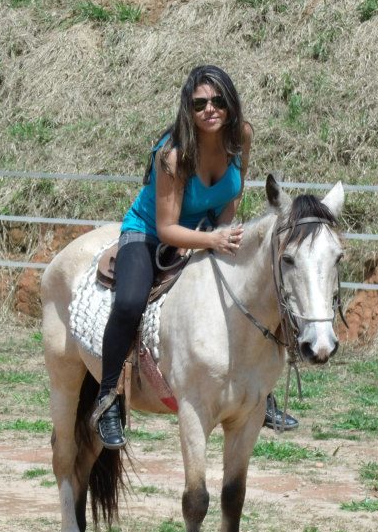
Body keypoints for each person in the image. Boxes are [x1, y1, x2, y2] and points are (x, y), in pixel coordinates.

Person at [94, 64, 297, 449]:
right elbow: (168, 229)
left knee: (255, 289)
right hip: (150, 233)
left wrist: (216, 230)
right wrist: (211, 240)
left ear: (231, 104)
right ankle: (108, 400)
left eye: (219, 101)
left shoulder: (242, 136)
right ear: (188, 107)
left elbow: (233, 195)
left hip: (206, 229)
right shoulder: (172, 155)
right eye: (200, 102)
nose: (210, 109)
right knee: (130, 302)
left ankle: (260, 392)